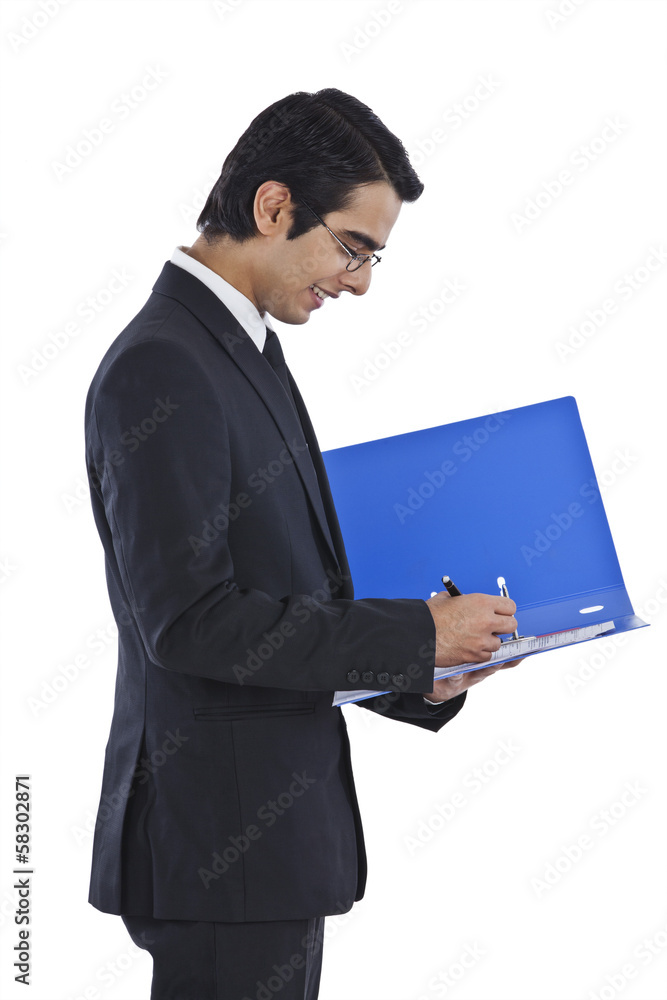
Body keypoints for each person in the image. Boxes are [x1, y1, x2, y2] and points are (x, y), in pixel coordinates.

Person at [83, 88, 519, 1000]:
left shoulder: (242, 350)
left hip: (262, 850)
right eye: (353, 248)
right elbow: (192, 623)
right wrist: (412, 635)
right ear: (273, 205)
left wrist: (420, 671)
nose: (358, 281)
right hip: (218, 847)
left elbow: (293, 595)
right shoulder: (165, 362)